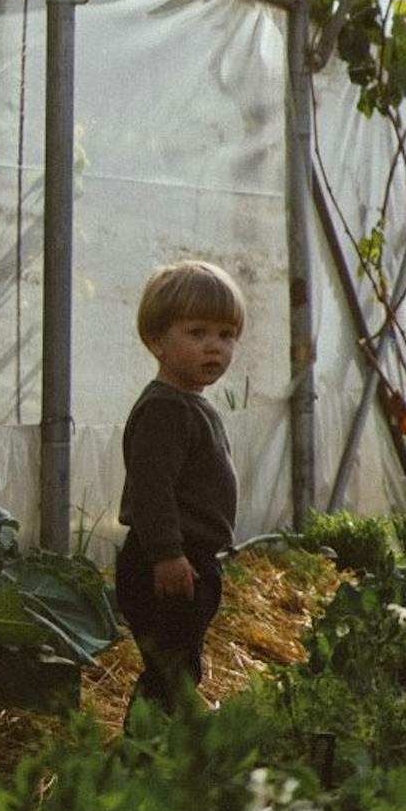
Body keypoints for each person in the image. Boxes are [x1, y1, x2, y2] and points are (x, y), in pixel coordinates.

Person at [115, 259, 244, 714]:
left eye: (226, 335)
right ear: (156, 342)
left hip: (189, 559)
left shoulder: (189, 404)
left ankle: (165, 741)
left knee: (179, 660)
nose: (215, 348)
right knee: (170, 667)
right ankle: (150, 748)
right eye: (197, 333)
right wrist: (167, 554)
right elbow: (152, 489)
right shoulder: (165, 410)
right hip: (166, 565)